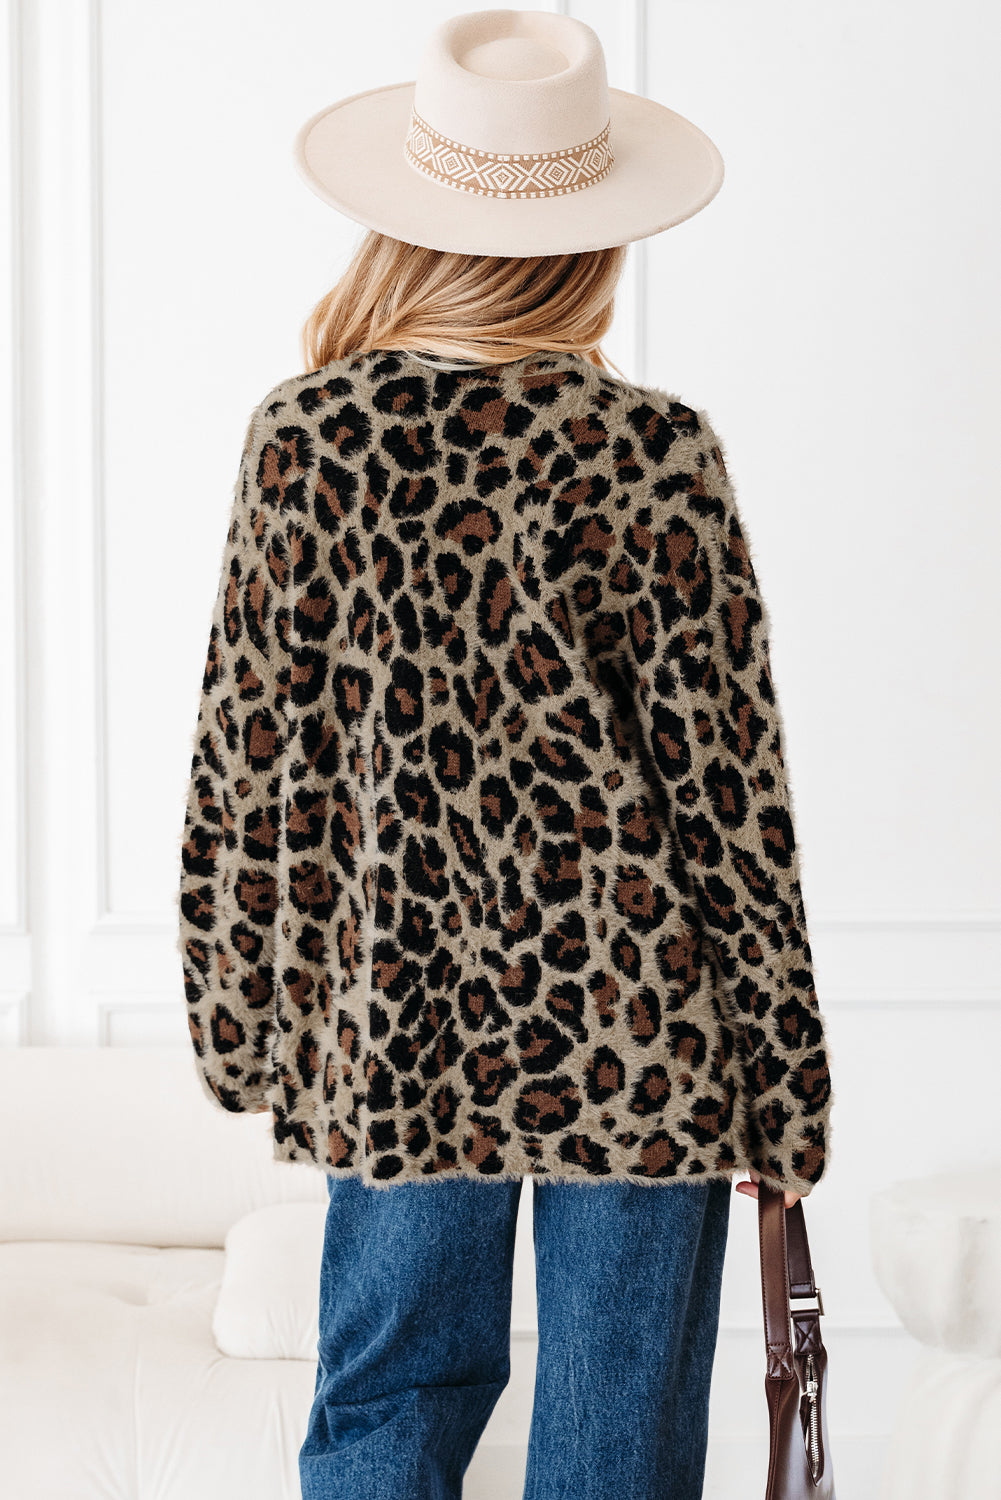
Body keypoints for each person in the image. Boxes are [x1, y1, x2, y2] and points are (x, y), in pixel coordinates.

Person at [176, 11, 835, 1499]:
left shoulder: (306, 442)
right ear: (590, 244)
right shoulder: (655, 452)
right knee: (621, 1444)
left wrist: (247, 1025)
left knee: (385, 1412)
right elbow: (731, 801)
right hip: (642, 1024)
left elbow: (248, 769)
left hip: (393, 1014)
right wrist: (782, 1086)